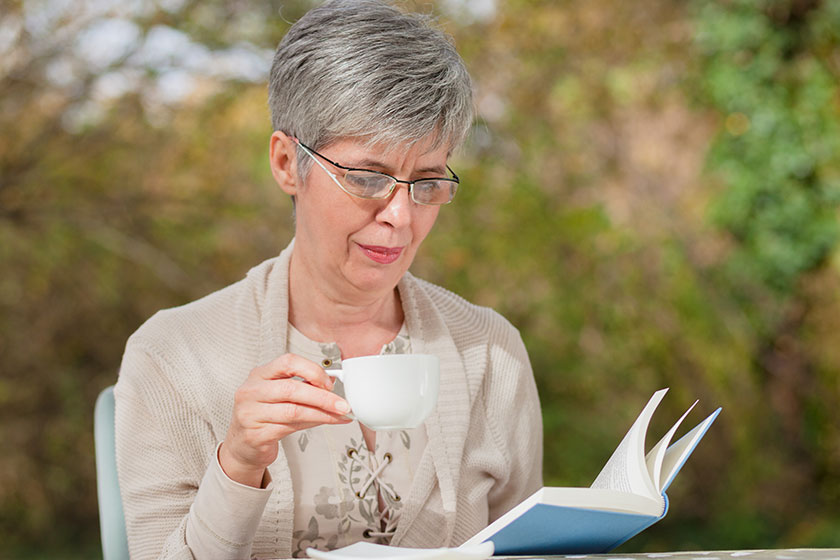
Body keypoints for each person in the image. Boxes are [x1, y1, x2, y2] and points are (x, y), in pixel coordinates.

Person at [114, 1, 543, 558]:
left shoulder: (490, 352)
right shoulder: (173, 356)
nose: (401, 216)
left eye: (428, 181)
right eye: (368, 177)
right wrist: (239, 464)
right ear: (288, 163)